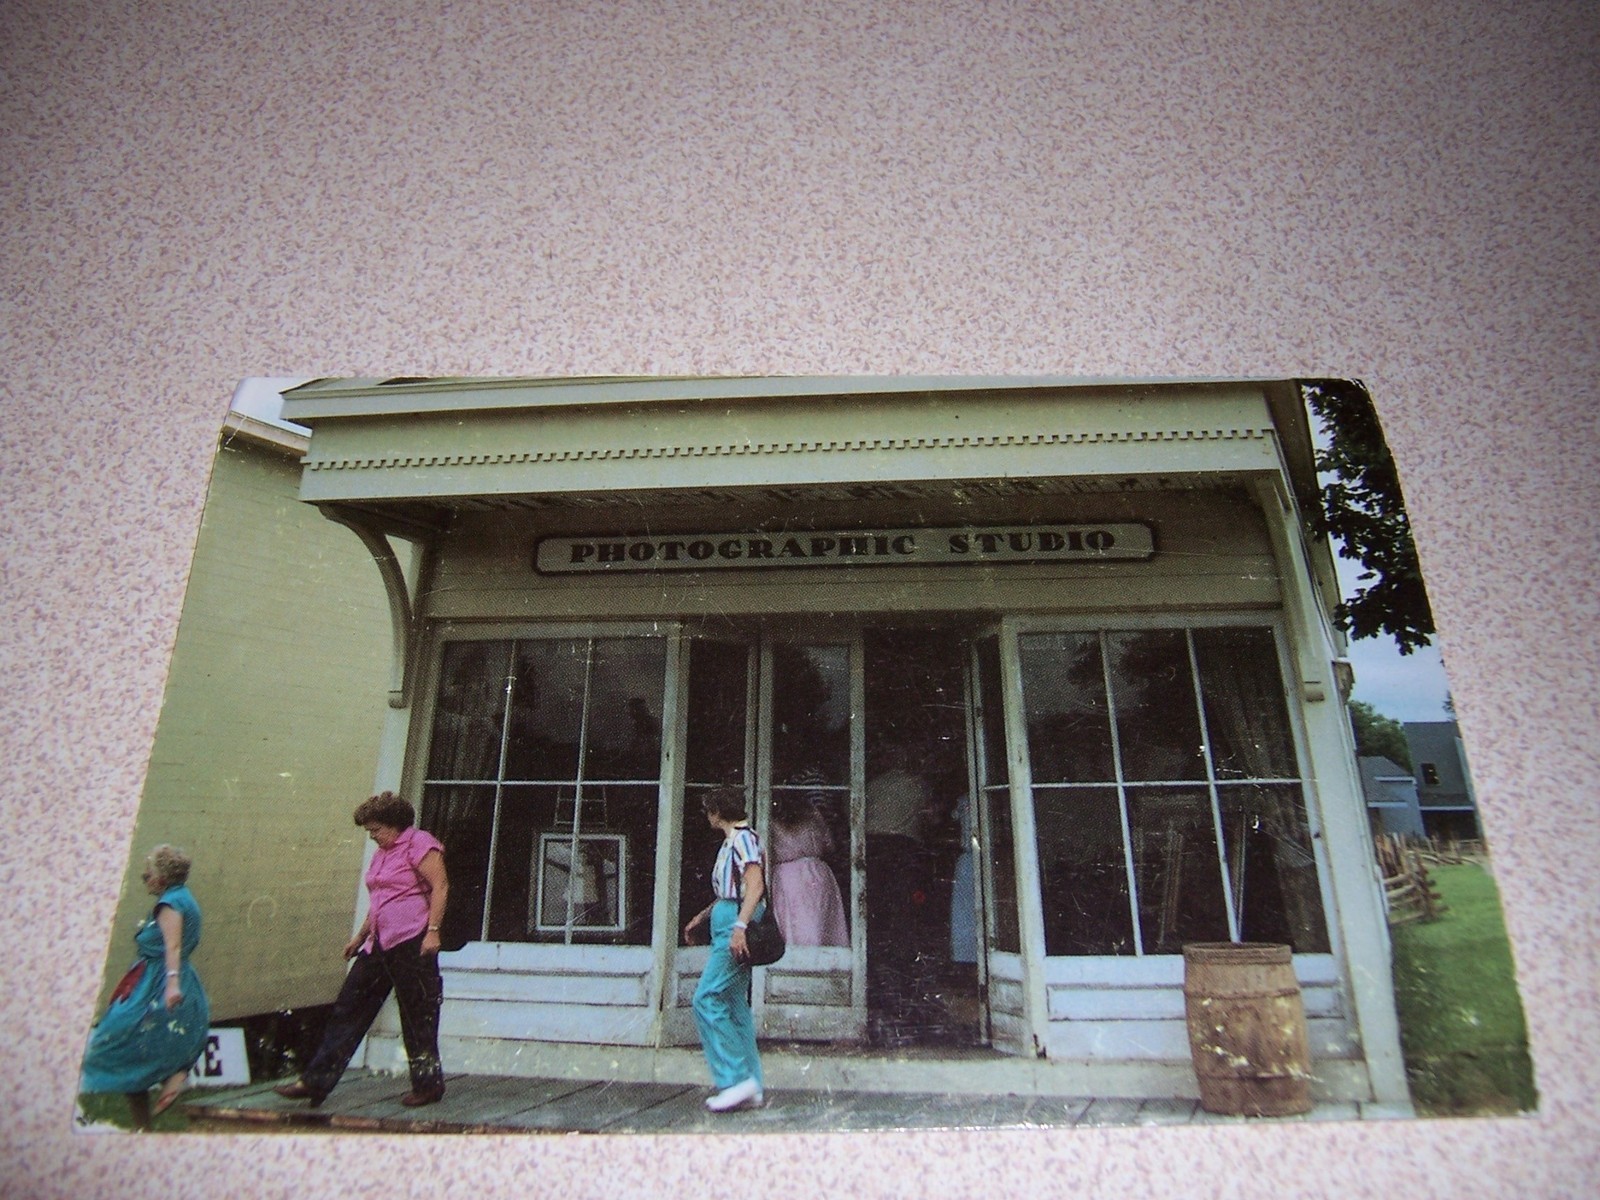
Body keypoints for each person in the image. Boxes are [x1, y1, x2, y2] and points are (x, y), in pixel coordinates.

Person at [274, 792, 449, 1108]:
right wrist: (359, 937)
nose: (372, 836)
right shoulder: (381, 853)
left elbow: (440, 886)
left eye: (376, 829)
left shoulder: (419, 843)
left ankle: (428, 1085)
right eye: (369, 831)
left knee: (417, 1016)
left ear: (395, 825)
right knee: (347, 1009)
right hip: (379, 943)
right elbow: (379, 900)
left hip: (413, 941)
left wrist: (433, 932)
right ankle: (315, 1082)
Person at [81, 844, 211, 1129]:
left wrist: (172, 984)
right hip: (162, 977)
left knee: (113, 1038)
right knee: (136, 1049)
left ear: (162, 878)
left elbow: (173, 946)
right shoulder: (182, 897)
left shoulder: (170, 905)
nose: (145, 878)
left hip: (156, 982)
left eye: (148, 874)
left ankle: (174, 1078)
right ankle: (147, 1122)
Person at [681, 787, 767, 1112]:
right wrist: (701, 918)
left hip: (735, 920)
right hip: (726, 917)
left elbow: (754, 885)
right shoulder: (733, 840)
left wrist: (740, 927)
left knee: (707, 997)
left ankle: (734, 1079)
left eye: (708, 810)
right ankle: (751, 1083)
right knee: (732, 1002)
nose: (707, 817)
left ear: (718, 811)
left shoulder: (743, 838)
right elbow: (728, 891)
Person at [769, 777, 849, 947]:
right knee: (821, 928)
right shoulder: (811, 811)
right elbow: (829, 843)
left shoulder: (769, 818)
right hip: (817, 872)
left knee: (794, 928)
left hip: (787, 876)